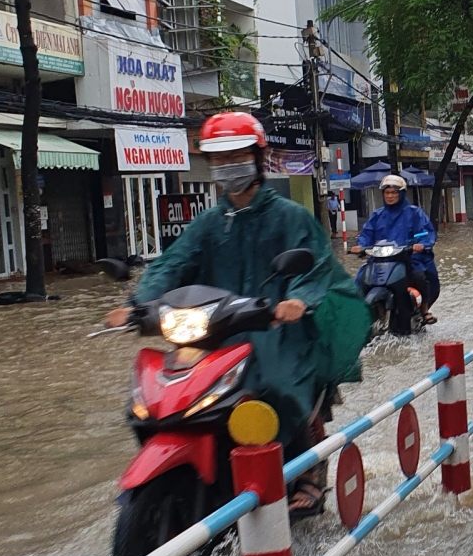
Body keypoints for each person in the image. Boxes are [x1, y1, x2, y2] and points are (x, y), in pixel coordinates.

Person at [105, 112, 369, 519]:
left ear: (257, 157)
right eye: (219, 158)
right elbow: (172, 264)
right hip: (217, 327)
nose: (228, 165)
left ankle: (306, 471)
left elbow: (313, 266)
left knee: (276, 382)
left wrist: (295, 299)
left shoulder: (290, 216)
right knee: (166, 392)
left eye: (237, 155)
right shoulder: (208, 223)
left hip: (277, 328)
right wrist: (139, 304)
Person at [352, 175, 438, 324]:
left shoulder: (414, 213)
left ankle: (424, 310)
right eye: (387, 193)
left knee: (419, 276)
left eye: (394, 192)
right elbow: (366, 235)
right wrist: (361, 246)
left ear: (401, 194)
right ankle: (357, 316)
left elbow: (426, 233)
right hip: (381, 259)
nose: (390, 196)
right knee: (360, 279)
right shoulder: (377, 215)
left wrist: (421, 244)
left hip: (407, 258)